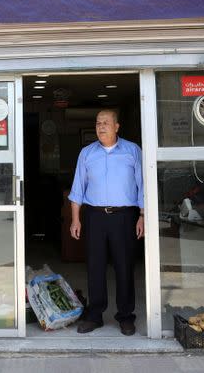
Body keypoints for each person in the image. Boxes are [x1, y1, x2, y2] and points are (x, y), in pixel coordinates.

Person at [69, 109, 144, 335]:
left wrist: (143, 215)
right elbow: (77, 189)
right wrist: (75, 219)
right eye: (98, 123)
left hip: (124, 216)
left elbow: (143, 185)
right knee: (95, 266)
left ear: (117, 126)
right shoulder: (86, 153)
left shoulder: (132, 151)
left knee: (124, 266)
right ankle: (95, 315)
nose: (101, 127)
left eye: (106, 123)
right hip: (95, 216)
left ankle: (125, 316)